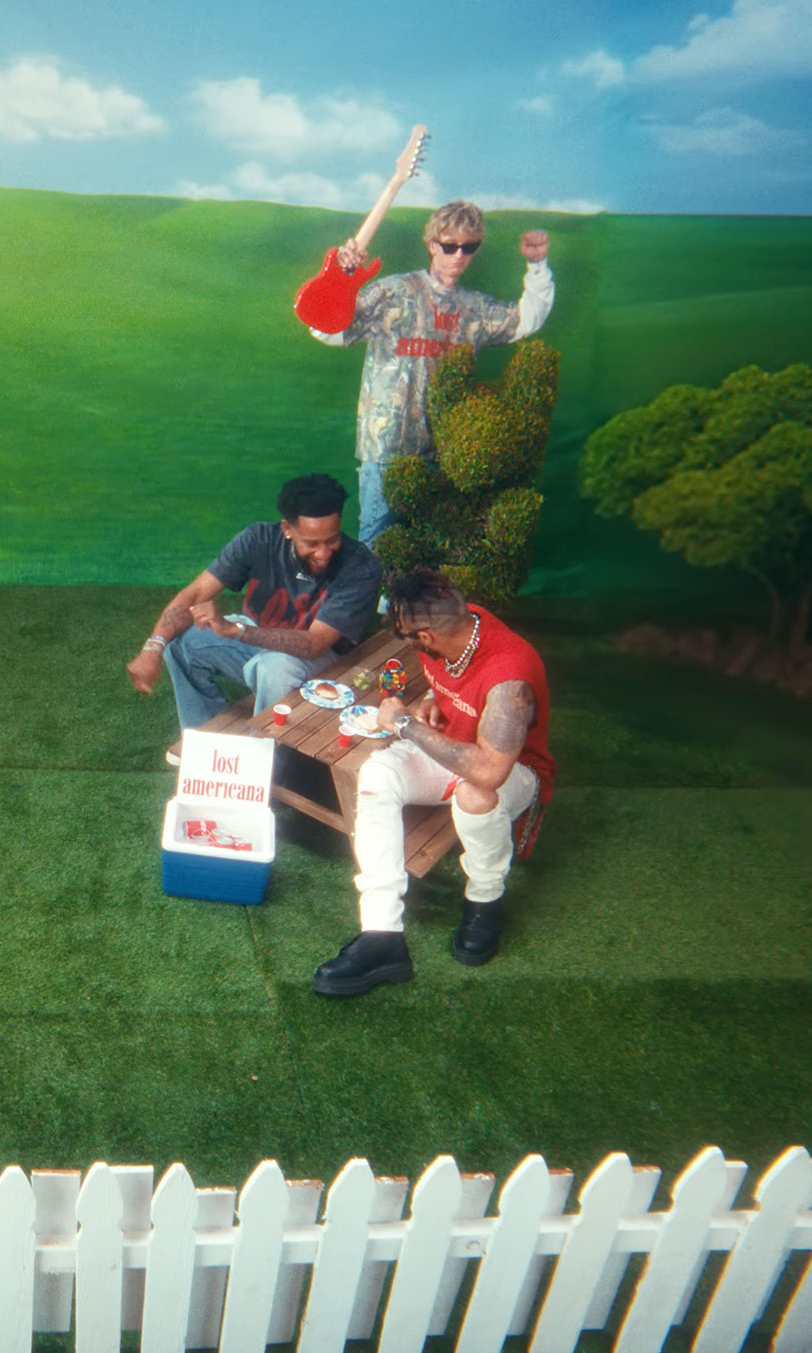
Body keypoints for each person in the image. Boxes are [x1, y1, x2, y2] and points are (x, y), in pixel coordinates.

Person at [312, 567, 556, 997]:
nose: (406, 643)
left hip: (514, 770)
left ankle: (484, 900)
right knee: (377, 774)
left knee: (474, 794)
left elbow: (490, 771)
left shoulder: (510, 676)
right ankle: (382, 934)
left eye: (405, 637)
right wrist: (430, 699)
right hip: (454, 744)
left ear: (424, 636)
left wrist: (405, 724)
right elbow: (448, 678)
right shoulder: (456, 624)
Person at [304, 201, 554, 546]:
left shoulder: (475, 308)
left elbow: (526, 320)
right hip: (386, 450)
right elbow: (326, 330)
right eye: (449, 246)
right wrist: (339, 280)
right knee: (377, 548)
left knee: (431, 555)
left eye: (469, 247)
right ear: (432, 245)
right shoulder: (391, 293)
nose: (458, 255)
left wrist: (537, 266)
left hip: (446, 456)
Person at [127, 474, 382, 730]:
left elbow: (314, 644)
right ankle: (203, 739)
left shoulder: (360, 567)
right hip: (258, 638)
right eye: (311, 543)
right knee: (180, 643)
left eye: (332, 540)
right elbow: (194, 594)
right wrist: (153, 646)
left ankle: (264, 748)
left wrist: (236, 631)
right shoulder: (258, 539)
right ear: (287, 529)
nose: (323, 553)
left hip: (323, 661)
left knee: (275, 668)